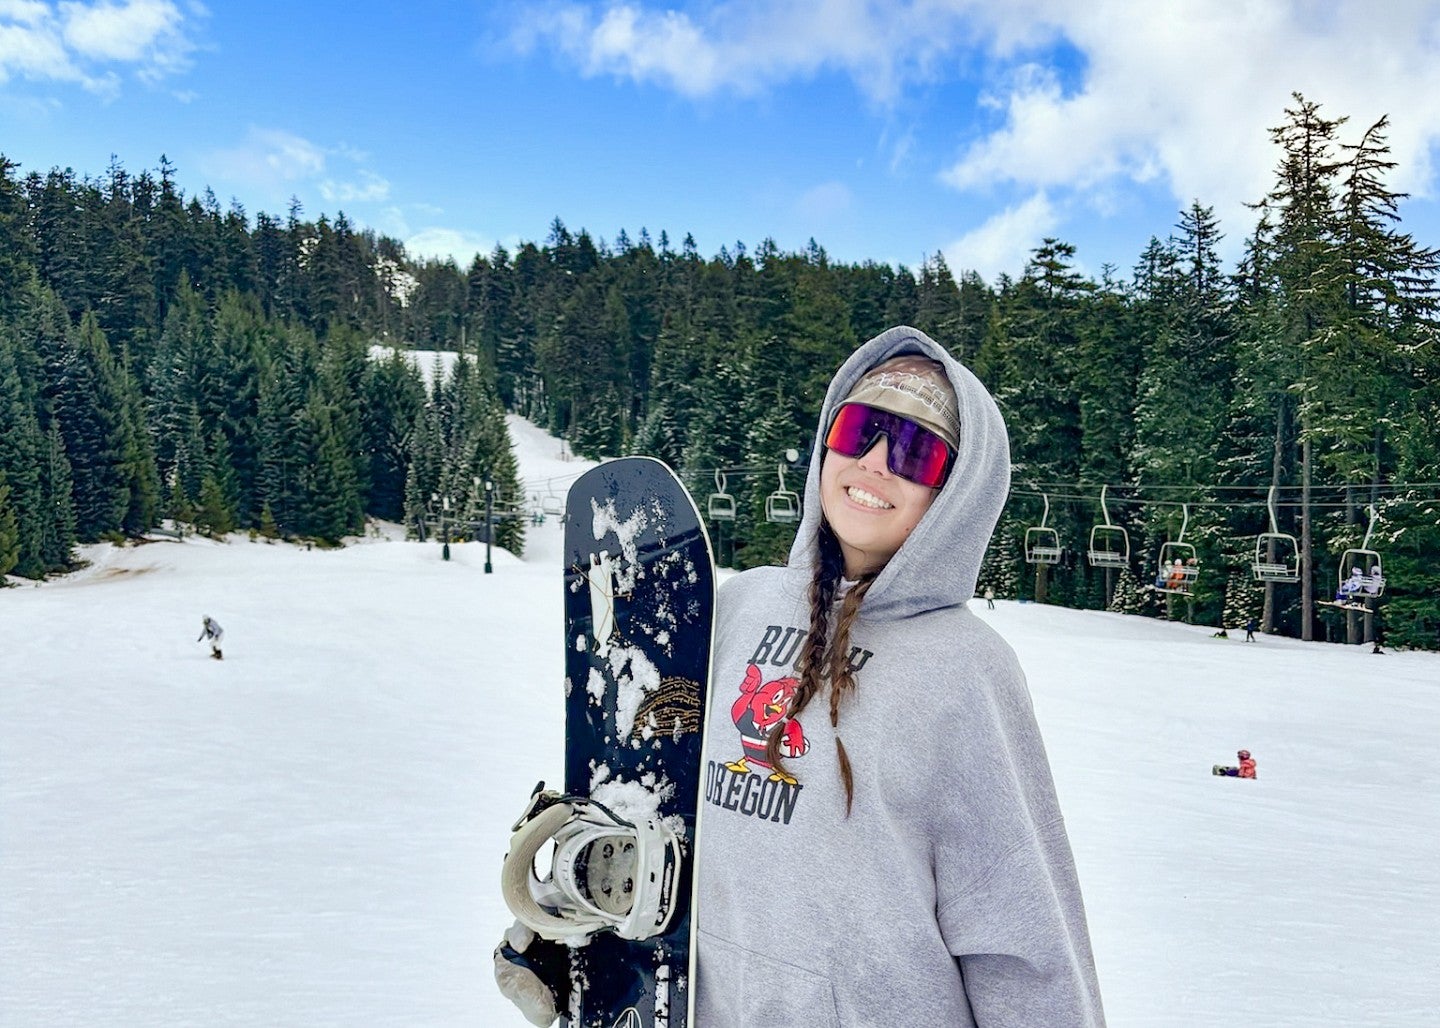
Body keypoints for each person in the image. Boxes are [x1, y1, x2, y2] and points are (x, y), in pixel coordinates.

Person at [496, 327, 1105, 1026]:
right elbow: (666, 807)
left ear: (958, 490)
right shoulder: (744, 606)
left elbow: (1021, 931)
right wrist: (583, 944)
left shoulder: (965, 668)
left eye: (914, 450)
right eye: (860, 429)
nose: (875, 462)